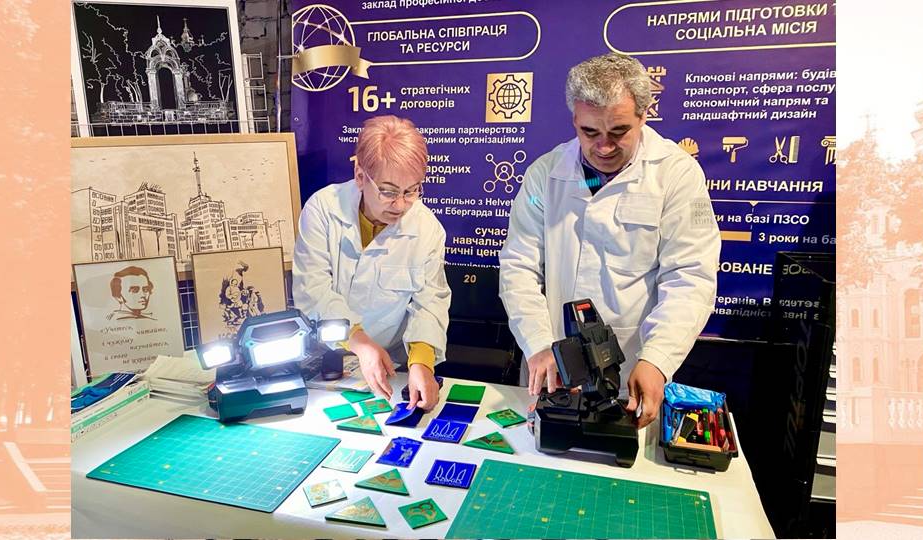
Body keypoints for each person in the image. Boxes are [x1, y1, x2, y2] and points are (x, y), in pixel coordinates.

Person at [499, 52, 721, 428]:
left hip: (634, 365)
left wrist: (657, 359)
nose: (603, 147)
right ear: (575, 119)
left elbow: (691, 277)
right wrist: (538, 343)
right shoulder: (545, 174)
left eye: (619, 132)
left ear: (643, 116)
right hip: (552, 362)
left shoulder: (677, 174)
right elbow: (519, 267)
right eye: (590, 132)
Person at [292, 115, 450, 411]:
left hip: (391, 368)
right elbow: (313, 291)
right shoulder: (323, 210)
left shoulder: (427, 229)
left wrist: (422, 362)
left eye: (411, 190)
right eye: (388, 191)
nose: (400, 205)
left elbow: (430, 303)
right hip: (323, 361)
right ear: (360, 176)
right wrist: (360, 343)